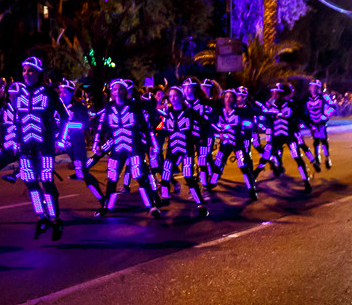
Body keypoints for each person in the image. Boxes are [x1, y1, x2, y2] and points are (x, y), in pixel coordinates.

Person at [8, 57, 66, 240]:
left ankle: (55, 219)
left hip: (45, 146)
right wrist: (15, 141)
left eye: (30, 70)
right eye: (24, 71)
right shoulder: (20, 95)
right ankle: (42, 216)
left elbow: (65, 117)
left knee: (47, 181)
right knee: (30, 181)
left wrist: (60, 140)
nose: (26, 74)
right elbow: (17, 121)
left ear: (39, 73)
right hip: (26, 146)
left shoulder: (49, 93)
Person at [93, 78, 162, 219]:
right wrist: (97, 142)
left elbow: (146, 127)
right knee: (112, 177)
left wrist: (152, 144)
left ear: (126, 91)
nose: (117, 92)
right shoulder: (109, 108)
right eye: (114, 89)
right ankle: (107, 206)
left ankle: (152, 206)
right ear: (111, 92)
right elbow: (101, 126)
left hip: (134, 146)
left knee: (139, 175)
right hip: (117, 146)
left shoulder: (135, 107)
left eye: (120, 89)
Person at [156, 85, 208, 217]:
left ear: (181, 96)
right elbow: (161, 128)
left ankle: (200, 204)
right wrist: (154, 137)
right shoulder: (168, 113)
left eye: (176, 96)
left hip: (187, 149)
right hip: (172, 149)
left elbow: (201, 126)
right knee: (165, 175)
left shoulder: (190, 112)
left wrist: (199, 141)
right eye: (171, 96)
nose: (173, 99)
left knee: (188, 176)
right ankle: (165, 198)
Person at [259, 83, 313, 194]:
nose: (275, 94)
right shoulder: (273, 103)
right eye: (274, 92)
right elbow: (266, 113)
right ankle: (263, 171)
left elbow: (300, 115)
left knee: (298, 154)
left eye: (277, 92)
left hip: (291, 134)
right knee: (269, 153)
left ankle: (307, 178)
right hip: (276, 134)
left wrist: (310, 125)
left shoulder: (292, 104)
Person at [56, 79, 103, 205]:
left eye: (64, 92)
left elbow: (86, 125)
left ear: (72, 93)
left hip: (75, 144)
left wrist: (69, 125)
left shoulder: (78, 108)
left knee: (82, 173)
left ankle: (102, 199)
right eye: (60, 92)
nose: (61, 94)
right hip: (58, 144)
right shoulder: (56, 108)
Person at [207, 89, 259, 201]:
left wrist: (239, 127)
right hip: (225, 143)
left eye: (231, 97)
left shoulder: (241, 112)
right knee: (218, 163)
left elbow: (249, 124)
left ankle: (251, 189)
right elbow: (212, 125)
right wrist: (218, 133)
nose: (228, 99)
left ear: (235, 99)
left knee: (243, 165)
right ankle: (212, 183)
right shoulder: (220, 112)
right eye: (226, 97)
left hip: (237, 143)